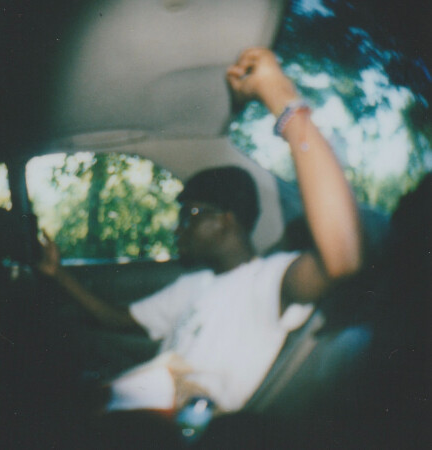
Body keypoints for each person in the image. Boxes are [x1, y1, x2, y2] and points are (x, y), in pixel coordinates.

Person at [37, 48, 363, 415]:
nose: (179, 226)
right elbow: (118, 319)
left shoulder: (267, 282)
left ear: (226, 220)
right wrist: (58, 274)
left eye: (191, 214)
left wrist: (279, 94)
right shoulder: (193, 285)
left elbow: (342, 258)